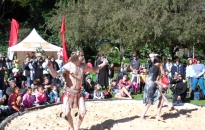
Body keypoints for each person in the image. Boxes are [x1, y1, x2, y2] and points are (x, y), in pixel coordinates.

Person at [46, 49, 107, 130]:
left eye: (83, 55)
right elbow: (55, 74)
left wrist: (104, 63)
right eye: (81, 55)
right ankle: (72, 128)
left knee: (83, 111)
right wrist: (50, 66)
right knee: (67, 112)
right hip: (68, 92)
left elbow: (93, 70)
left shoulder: (83, 65)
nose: (83, 57)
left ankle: (77, 128)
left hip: (79, 92)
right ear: (75, 56)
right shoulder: (68, 66)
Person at [140, 55, 166, 121]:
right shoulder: (156, 68)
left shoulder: (153, 67)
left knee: (161, 99)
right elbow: (154, 79)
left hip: (150, 85)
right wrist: (162, 84)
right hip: (151, 86)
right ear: (159, 61)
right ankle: (142, 116)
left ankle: (158, 115)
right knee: (149, 102)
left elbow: (149, 77)